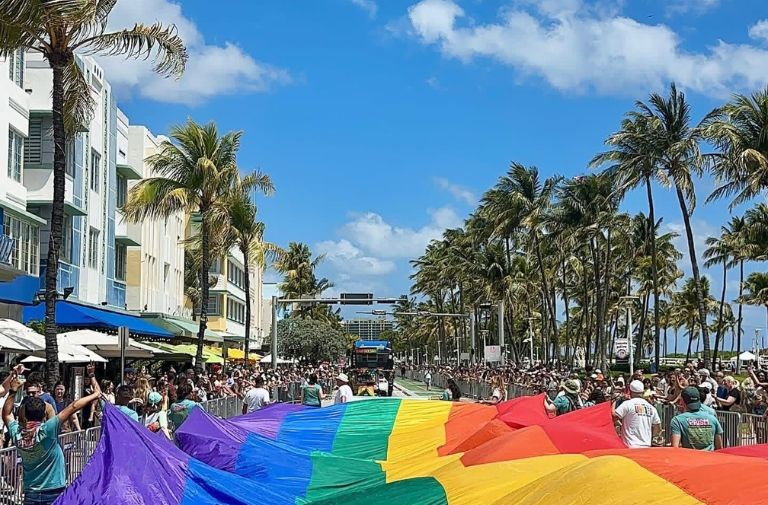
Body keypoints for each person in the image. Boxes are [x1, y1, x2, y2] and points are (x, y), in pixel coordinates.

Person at [3, 365, 101, 505]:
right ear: (44, 414)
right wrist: (95, 394)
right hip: (54, 491)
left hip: (31, 492)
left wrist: (13, 391)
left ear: (24, 414)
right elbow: (73, 407)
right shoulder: (47, 430)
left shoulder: (17, 434)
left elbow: (6, 414)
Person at [670, 386, 723, 451]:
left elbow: (675, 448)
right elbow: (719, 448)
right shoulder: (713, 419)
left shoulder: (677, 420)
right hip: (710, 456)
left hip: (689, 457)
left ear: (682, 401)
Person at [612, 380, 661, 448]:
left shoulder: (627, 404)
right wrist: (651, 437)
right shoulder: (651, 407)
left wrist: (613, 402)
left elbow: (614, 416)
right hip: (646, 446)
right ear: (643, 392)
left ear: (630, 391)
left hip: (630, 445)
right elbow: (658, 427)